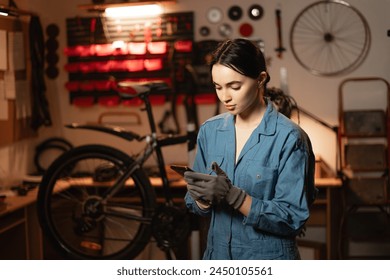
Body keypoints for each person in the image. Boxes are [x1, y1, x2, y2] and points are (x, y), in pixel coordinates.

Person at [183, 38, 317, 260]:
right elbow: (192, 202)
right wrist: (202, 198)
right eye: (218, 87)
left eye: (235, 86)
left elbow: (293, 218)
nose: (225, 96)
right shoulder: (210, 131)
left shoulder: (289, 138)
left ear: (260, 79)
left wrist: (234, 196)